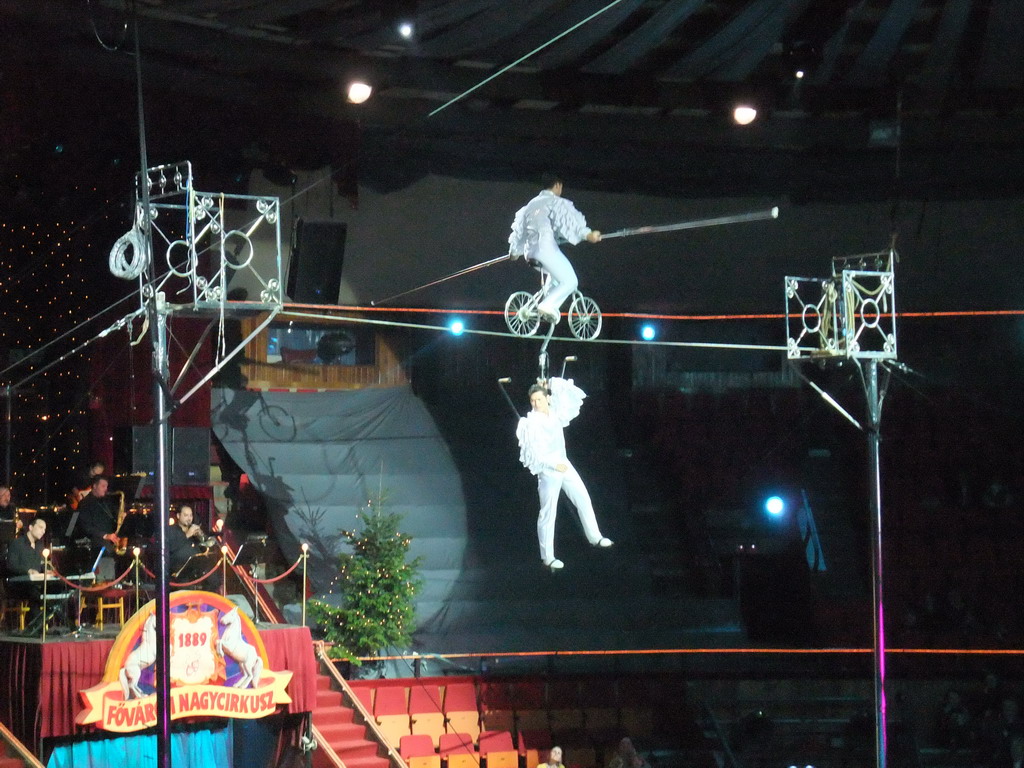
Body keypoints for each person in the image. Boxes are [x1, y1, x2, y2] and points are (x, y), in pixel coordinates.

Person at [516, 377, 612, 570]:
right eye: (533, 401)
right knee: (548, 512)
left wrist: (550, 383)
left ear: (547, 399)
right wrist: (553, 464)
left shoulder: (555, 412)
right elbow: (535, 452)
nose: (536, 404)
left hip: (563, 463)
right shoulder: (532, 423)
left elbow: (568, 394)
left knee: (582, 497)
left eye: (539, 400)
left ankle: (595, 536)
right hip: (548, 470)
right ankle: (548, 557)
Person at [508, 175, 601, 324]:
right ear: (557, 185)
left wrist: (514, 251)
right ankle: (547, 305)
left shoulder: (530, 205)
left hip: (529, 253)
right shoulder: (553, 201)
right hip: (546, 250)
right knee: (571, 281)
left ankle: (547, 306)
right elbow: (569, 221)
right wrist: (588, 234)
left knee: (556, 278)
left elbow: (520, 230)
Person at [4, 516, 51, 623]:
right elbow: (11, 565)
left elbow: (41, 564)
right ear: (30, 527)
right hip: (18, 585)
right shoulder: (17, 543)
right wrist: (28, 571)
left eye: (44, 529)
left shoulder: (39, 546)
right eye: (40, 527)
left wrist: (46, 570)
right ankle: (36, 626)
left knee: (57, 588)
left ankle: (48, 621)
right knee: (34, 593)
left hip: (35, 583)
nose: (43, 531)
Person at [167, 505, 221, 591]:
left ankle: (205, 600)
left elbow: (203, 547)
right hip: (179, 569)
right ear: (178, 516)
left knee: (215, 579)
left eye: (190, 515)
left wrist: (201, 537)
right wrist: (188, 534)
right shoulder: (171, 530)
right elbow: (172, 547)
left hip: (196, 566)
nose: (189, 518)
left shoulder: (193, 531)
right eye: (185, 515)